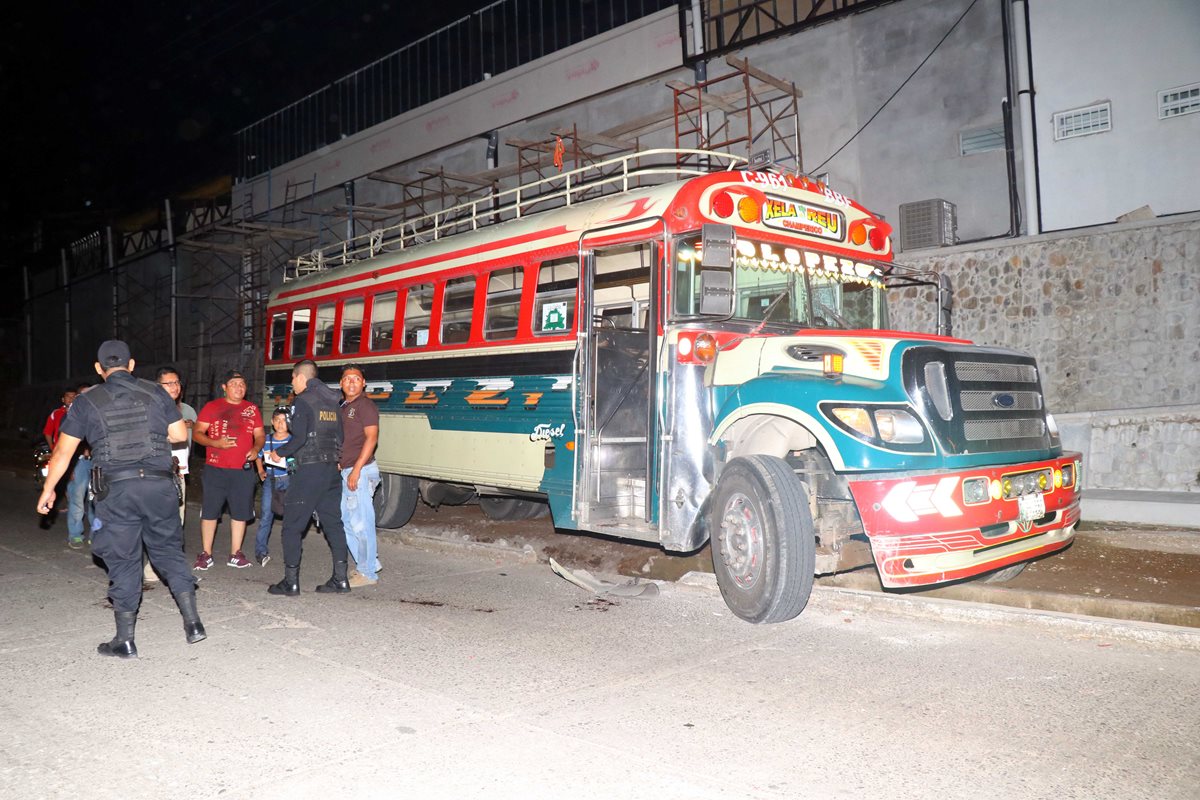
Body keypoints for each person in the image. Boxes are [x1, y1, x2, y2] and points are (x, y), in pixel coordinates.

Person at [36, 340, 205, 658]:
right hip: (159, 485)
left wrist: (49, 491)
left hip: (117, 491)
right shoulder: (155, 392)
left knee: (124, 560)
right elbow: (181, 435)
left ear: (99, 370)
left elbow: (63, 451)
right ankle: (193, 623)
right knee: (167, 552)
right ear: (131, 365)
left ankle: (124, 640)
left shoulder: (86, 402)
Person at [267, 359, 352, 596]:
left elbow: (299, 438)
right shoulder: (333, 401)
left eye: (292, 379)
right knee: (333, 524)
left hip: (309, 472)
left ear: (301, 377)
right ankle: (340, 579)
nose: (292, 384)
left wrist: (278, 452)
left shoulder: (303, 400)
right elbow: (341, 436)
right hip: (330, 471)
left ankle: (290, 583)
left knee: (291, 527)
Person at [192, 370, 264, 570]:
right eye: (234, 384)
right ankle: (206, 553)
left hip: (242, 470)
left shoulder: (251, 409)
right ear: (224, 387)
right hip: (216, 468)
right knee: (210, 511)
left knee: (240, 511)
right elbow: (197, 434)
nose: (239, 388)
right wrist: (216, 443)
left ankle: (235, 553)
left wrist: (256, 449)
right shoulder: (212, 407)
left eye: (242, 384)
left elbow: (259, 435)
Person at [143, 367, 198, 587]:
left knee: (176, 523)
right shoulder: (151, 409)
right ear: (158, 387)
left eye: (177, 382)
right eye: (169, 383)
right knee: (154, 523)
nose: (174, 387)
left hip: (177, 474)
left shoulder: (182, 410)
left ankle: (162, 570)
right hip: (154, 475)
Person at [338, 365, 381, 588]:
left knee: (361, 523)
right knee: (346, 521)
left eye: (356, 378)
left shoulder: (365, 405)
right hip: (348, 471)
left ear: (363, 383)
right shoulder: (344, 407)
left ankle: (367, 572)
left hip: (361, 472)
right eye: (347, 379)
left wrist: (356, 469)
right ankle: (368, 563)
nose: (352, 382)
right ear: (341, 384)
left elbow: (371, 438)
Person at [42, 387, 82, 544]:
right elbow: (47, 432)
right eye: (68, 396)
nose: (71, 399)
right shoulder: (57, 414)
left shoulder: (80, 412)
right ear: (62, 399)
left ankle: (71, 503)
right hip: (61, 454)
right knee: (66, 482)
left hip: (77, 455)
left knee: (75, 486)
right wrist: (53, 448)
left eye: (74, 396)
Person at [253, 406, 292, 567]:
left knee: (291, 516)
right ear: (272, 422)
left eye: (284, 420)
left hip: (290, 480)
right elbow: (258, 456)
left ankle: (292, 551)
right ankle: (260, 551)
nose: (281, 424)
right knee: (266, 515)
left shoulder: (294, 440)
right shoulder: (267, 440)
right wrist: (261, 470)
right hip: (271, 480)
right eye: (277, 420)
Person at [64, 383, 94, 548]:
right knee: (77, 500)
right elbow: (64, 445)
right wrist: (68, 468)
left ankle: (96, 534)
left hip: (97, 463)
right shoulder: (72, 416)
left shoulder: (99, 413)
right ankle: (75, 535)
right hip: (79, 462)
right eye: (82, 395)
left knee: (97, 500)